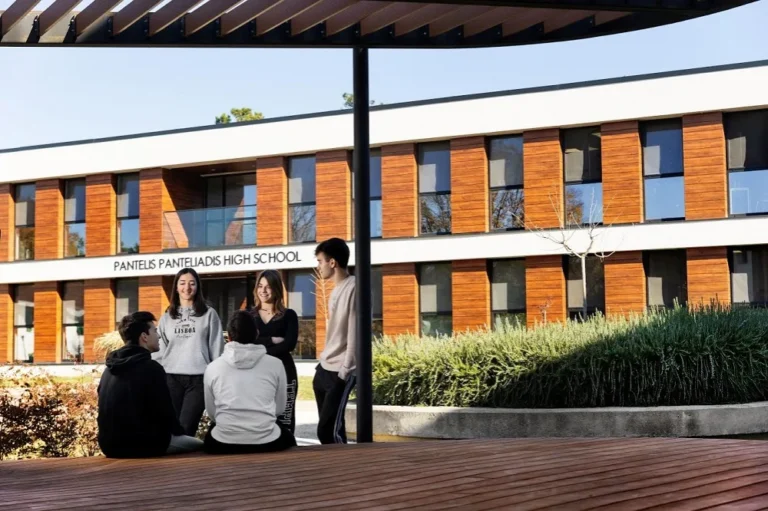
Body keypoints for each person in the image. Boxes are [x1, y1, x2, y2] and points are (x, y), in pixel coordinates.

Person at [97, 311, 204, 458]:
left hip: (108, 446)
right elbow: (166, 413)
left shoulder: (109, 369)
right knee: (200, 444)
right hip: (144, 444)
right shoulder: (152, 368)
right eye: (154, 331)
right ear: (144, 337)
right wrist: (181, 433)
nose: (159, 336)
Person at [203, 310, 297, 454]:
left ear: (229, 337)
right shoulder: (276, 364)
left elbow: (212, 412)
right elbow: (279, 409)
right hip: (267, 440)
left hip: (223, 442)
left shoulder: (213, 367)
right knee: (289, 439)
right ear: (257, 334)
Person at [154, 268, 225, 437]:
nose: (187, 288)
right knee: (170, 430)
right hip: (171, 379)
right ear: (176, 287)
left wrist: (216, 380)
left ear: (198, 287)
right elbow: (158, 351)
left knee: (186, 428)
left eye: (192, 283)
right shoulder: (167, 317)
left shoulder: (209, 314)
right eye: (182, 283)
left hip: (199, 380)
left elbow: (217, 349)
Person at [313, 237, 357, 444]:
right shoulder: (335, 290)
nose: (318, 267)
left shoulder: (354, 287)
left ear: (332, 262)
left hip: (340, 370)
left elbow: (355, 331)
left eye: (320, 261)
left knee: (329, 431)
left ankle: (343, 463)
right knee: (327, 431)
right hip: (325, 367)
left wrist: (345, 370)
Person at [250, 269, 299, 434]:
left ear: (276, 288)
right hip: (257, 374)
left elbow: (289, 345)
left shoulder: (289, 315)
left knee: (285, 420)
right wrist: (271, 340)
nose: (263, 290)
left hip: (285, 372)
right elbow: (245, 343)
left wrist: (259, 348)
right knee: (260, 418)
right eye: (260, 286)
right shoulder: (249, 316)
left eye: (268, 286)